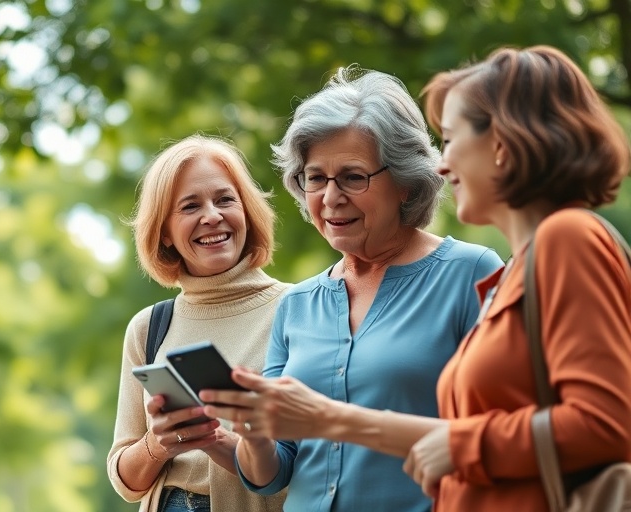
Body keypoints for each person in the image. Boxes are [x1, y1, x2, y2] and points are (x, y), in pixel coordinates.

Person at [202, 45, 631, 511]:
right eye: (315, 179)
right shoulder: (301, 302)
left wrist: (343, 422)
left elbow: (596, 424)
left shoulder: (540, 249)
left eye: (450, 140)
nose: (442, 165)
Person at [197, 67, 502, 511]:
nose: (330, 197)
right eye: (315, 178)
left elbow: (499, 432)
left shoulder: (470, 273)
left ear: (404, 182)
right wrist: (252, 432)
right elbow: (273, 473)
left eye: (353, 177)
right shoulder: (297, 304)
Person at [107, 134, 292, 512]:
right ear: (164, 232)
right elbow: (125, 481)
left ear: (247, 210)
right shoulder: (149, 327)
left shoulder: (300, 307)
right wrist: (157, 445)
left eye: (225, 199)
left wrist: (214, 438)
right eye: (190, 206)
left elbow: (318, 460)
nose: (212, 216)